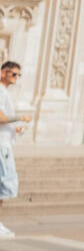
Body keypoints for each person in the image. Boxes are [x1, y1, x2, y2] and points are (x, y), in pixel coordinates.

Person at [0, 62, 29, 238]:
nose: (16, 79)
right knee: (5, 184)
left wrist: (15, 127)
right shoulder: (0, 91)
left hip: (5, 142)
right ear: (3, 72)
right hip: (2, 146)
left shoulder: (5, 93)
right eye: (13, 74)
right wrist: (20, 118)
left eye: (19, 75)